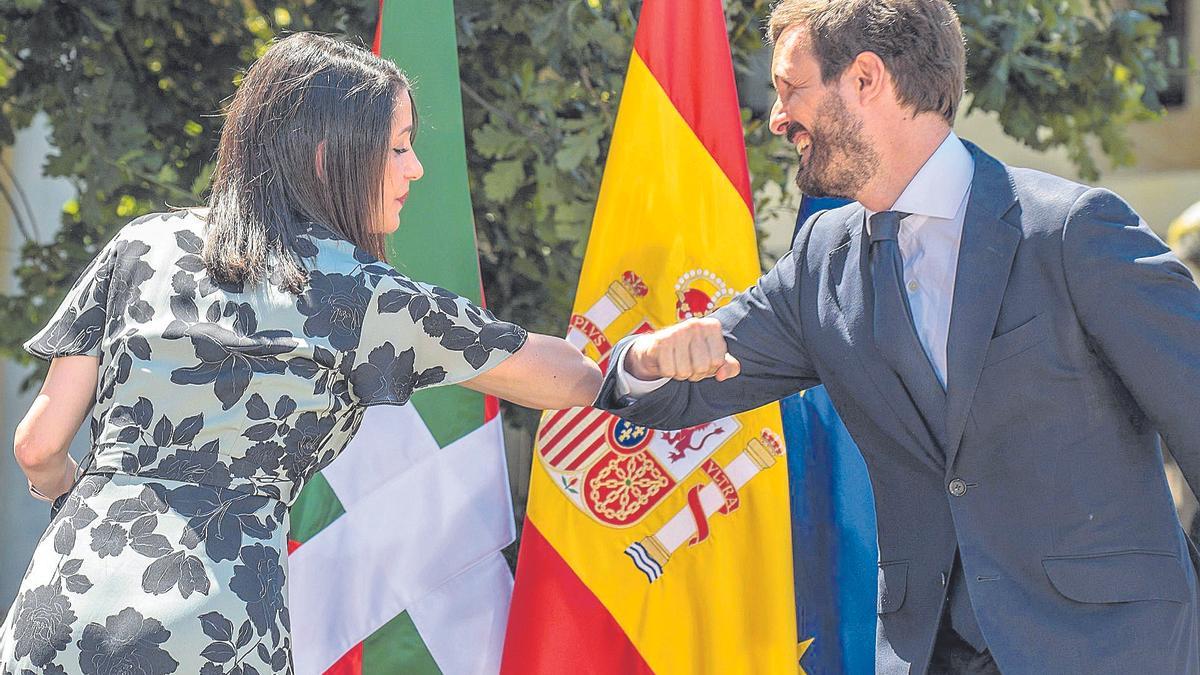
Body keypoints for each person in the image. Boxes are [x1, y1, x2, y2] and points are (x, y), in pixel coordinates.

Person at [595, 1, 1200, 673]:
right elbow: (672, 388)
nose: (776, 116)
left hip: (1117, 650)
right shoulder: (824, 260)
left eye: (791, 88)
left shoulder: (1073, 231)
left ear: (865, 78)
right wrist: (641, 358)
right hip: (930, 654)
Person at [0, 32, 600, 674]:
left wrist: (79, 494)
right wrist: (651, 360)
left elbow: (37, 446)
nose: (415, 167)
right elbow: (567, 378)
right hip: (210, 627)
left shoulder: (142, 246)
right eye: (398, 146)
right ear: (325, 157)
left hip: (57, 606)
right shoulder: (360, 294)